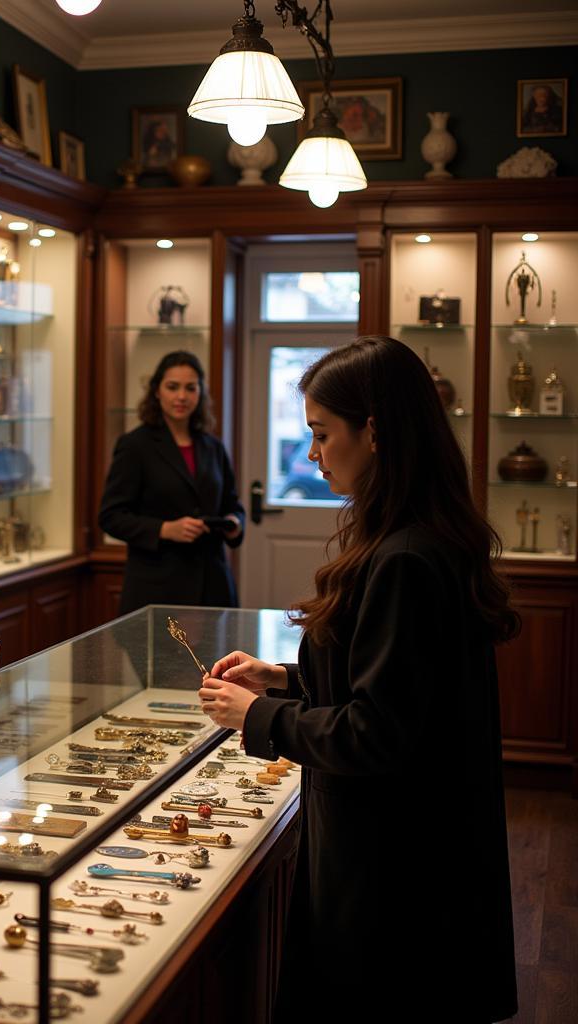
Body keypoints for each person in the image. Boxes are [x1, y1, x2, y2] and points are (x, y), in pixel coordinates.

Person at [199, 336, 518, 1022]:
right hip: (410, 859)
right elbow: (392, 678)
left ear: (373, 430)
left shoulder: (405, 557)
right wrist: (279, 678)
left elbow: (376, 732)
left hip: (396, 877)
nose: (312, 453)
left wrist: (252, 716)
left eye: (322, 434)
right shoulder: (414, 536)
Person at [98, 351, 245, 614]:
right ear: (157, 391)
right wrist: (164, 529)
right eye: (172, 387)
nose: (182, 396)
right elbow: (110, 517)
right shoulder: (135, 445)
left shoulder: (213, 446)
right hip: (157, 591)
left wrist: (235, 523)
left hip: (213, 587)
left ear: (200, 393)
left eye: (191, 388)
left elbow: (233, 504)